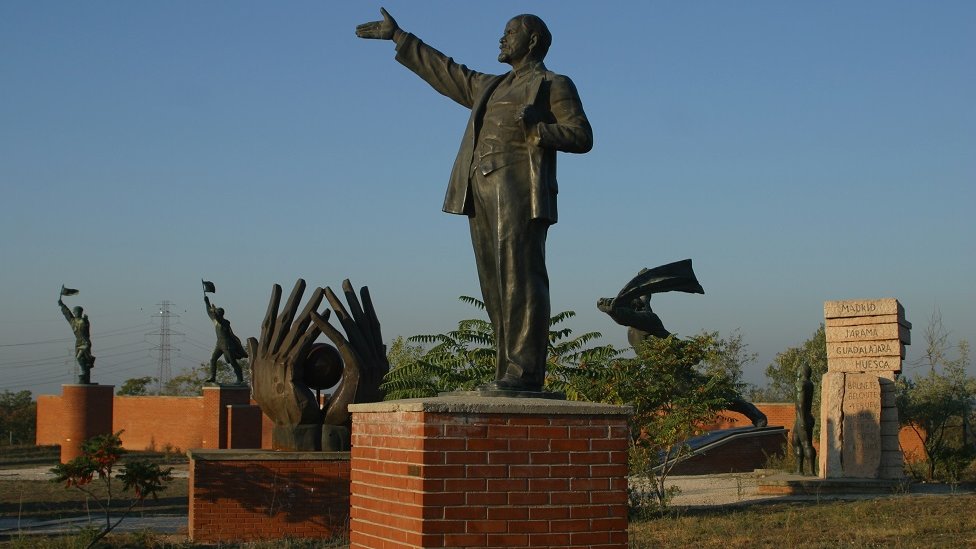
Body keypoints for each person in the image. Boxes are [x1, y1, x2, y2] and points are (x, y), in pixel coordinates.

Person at [356, 9, 592, 392]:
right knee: (495, 285)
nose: (502, 38)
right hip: (479, 189)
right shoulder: (490, 85)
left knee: (521, 280)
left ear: (532, 41)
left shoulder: (553, 84)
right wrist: (401, 37)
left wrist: (538, 125)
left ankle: (525, 372)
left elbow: (581, 136)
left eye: (510, 32)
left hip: (518, 190)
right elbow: (448, 72)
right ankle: (507, 370)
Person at [204, 295, 246, 384]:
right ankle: (213, 377)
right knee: (213, 359)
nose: (216, 314)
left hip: (227, 345)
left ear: (221, 314)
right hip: (219, 344)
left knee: (232, 362)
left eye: (217, 312)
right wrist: (207, 302)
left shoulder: (225, 322)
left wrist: (213, 310)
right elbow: (209, 312)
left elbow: (217, 318)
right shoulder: (215, 321)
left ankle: (240, 379)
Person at [58, 298, 95, 384]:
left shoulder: (84, 321)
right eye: (75, 312)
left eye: (77, 311)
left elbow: (87, 329)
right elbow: (67, 313)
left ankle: (86, 371)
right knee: (81, 359)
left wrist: (86, 321)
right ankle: (86, 372)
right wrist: (62, 305)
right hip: (78, 342)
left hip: (85, 342)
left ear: (80, 312)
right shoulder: (73, 321)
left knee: (80, 358)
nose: (75, 313)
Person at [793, 362, 817, 475]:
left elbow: (800, 403)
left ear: (802, 371)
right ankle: (799, 470)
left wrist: (802, 419)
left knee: (806, 443)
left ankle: (811, 471)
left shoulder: (800, 384)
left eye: (798, 369)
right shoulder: (810, 384)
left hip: (802, 417)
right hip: (803, 417)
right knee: (796, 442)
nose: (797, 371)